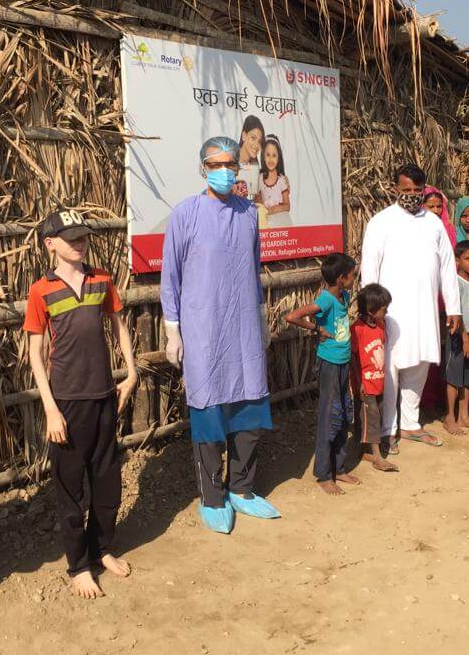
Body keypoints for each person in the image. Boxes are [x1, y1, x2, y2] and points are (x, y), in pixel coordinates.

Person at [160, 136, 280, 534]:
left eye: (233, 164)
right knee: (209, 411)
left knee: (249, 407)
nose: (227, 171)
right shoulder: (186, 214)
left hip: (243, 326)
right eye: (218, 164)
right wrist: (173, 330)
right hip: (204, 331)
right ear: (203, 168)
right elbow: (170, 278)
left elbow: (253, 266)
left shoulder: (248, 213)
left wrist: (261, 318)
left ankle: (243, 489)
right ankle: (213, 496)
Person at [23, 210, 138, 598]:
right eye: (69, 237)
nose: (79, 242)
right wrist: (50, 408)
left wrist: (132, 371)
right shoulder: (41, 291)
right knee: (70, 488)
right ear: (50, 244)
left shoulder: (102, 279)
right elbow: (35, 353)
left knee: (106, 482)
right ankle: (78, 565)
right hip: (67, 402)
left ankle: (102, 548)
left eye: (83, 236)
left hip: (104, 395)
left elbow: (119, 325)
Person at [361, 163, 462, 451]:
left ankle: (410, 423)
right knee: (391, 368)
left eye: (417, 190)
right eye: (406, 190)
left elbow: (446, 267)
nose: (412, 195)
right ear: (396, 189)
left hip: (425, 309)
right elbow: (370, 267)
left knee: (420, 363)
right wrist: (370, 309)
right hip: (390, 313)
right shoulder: (381, 222)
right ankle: (388, 429)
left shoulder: (433, 223)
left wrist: (453, 308)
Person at [284, 253, 361, 494]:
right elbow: (292, 316)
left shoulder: (344, 296)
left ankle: (339, 467)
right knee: (329, 416)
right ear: (341, 278)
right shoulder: (326, 300)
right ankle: (324, 474)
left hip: (342, 363)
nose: (354, 278)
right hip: (329, 365)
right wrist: (317, 328)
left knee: (343, 414)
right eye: (352, 275)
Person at [350, 283, 398, 472]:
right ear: (371, 311)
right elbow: (353, 356)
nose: (386, 312)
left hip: (378, 381)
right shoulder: (357, 329)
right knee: (372, 418)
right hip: (365, 384)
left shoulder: (380, 326)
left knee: (371, 417)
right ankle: (378, 457)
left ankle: (363, 450)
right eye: (384, 309)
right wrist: (359, 381)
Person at [444, 241, 469, 435]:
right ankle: (450, 417)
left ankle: (464, 416)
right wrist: (465, 339)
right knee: (454, 378)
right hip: (458, 337)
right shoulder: (454, 283)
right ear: (457, 260)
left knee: (468, 378)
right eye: (468, 258)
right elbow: (456, 313)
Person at [257, 133, 291, 226]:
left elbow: (287, 206)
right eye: (268, 155)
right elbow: (258, 200)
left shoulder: (282, 180)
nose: (271, 159)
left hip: (281, 220)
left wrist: (274, 209)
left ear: (278, 157)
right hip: (266, 220)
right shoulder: (259, 178)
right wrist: (262, 209)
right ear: (263, 156)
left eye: (274, 155)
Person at [235, 115, 265, 201]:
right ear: (244, 135)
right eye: (253, 138)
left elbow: (256, 200)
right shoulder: (229, 161)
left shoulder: (255, 168)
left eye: (259, 141)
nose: (256, 145)